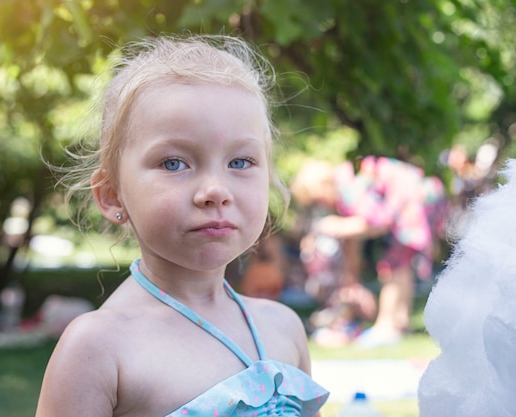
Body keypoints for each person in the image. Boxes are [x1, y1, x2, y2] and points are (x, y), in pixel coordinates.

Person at [35, 34, 329, 417]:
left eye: (240, 162)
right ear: (111, 195)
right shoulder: (99, 348)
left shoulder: (283, 327)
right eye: (174, 163)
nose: (215, 190)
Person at [291, 156, 448, 348]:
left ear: (322, 187)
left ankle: (386, 327)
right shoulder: (350, 178)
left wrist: (338, 226)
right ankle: (400, 322)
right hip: (423, 196)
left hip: (413, 201)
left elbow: (378, 223)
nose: (321, 205)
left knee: (393, 266)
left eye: (317, 199)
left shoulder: (349, 186)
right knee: (400, 264)